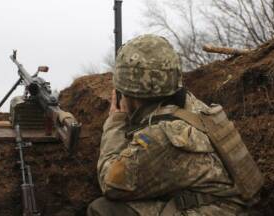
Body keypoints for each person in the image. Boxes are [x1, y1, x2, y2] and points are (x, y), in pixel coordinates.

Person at [87, 34, 263, 216]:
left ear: (129, 92)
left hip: (219, 211)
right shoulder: (191, 105)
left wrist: (116, 122)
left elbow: (111, 185)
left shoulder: (163, 135)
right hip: (235, 203)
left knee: (103, 209)